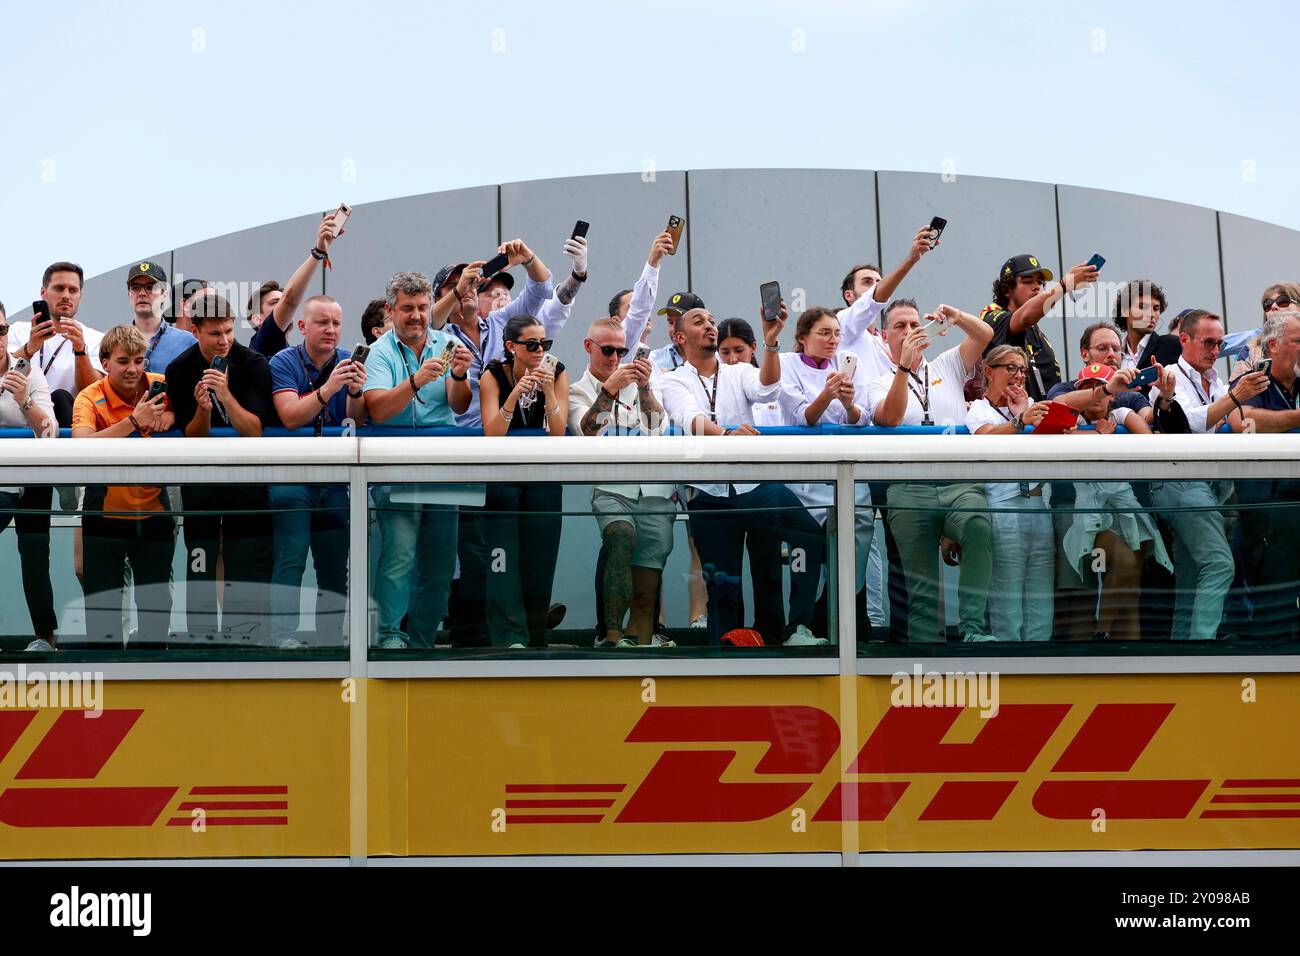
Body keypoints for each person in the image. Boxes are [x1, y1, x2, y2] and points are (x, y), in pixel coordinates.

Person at [660, 298, 828, 646]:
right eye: (698, 321)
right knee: (723, 585)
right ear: (679, 338)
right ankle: (728, 656)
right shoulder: (673, 380)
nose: (709, 325)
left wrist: (769, 342)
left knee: (808, 535)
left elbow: (766, 388)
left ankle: (798, 628)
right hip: (708, 494)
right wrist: (727, 435)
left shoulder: (737, 370)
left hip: (756, 485)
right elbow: (689, 418)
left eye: (711, 319)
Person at [869, 299, 994, 643]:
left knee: (978, 525)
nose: (908, 331)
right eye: (899, 326)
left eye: (913, 325)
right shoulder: (877, 382)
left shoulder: (947, 364)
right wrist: (904, 370)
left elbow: (984, 334)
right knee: (921, 584)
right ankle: (926, 650)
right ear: (884, 337)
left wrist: (956, 316)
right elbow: (890, 417)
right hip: (909, 486)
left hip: (958, 482)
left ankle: (972, 629)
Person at [362, 272, 473, 649]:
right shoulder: (380, 352)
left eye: (423, 308)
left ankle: (423, 641)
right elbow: (376, 410)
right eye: (407, 309)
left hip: (443, 469)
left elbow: (460, 404)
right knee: (398, 558)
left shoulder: (448, 342)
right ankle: (390, 636)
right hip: (395, 470)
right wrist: (415, 381)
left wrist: (459, 375)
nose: (417, 316)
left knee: (441, 567)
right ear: (391, 311)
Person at [1148, 310, 1266, 641]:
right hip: (1179, 481)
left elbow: (1217, 420)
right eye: (1209, 343)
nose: (1215, 350)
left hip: (1199, 482)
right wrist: (1234, 397)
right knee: (1219, 565)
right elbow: (1188, 423)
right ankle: (1203, 647)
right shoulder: (1168, 375)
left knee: (1190, 576)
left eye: (1219, 343)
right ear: (1183, 339)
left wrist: (1235, 393)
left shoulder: (1213, 379)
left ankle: (1183, 652)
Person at [165, 294, 274, 642]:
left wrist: (226, 396)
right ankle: (199, 640)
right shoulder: (179, 369)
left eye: (229, 331)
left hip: (247, 480)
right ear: (195, 330)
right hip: (201, 481)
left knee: (247, 563)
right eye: (215, 334)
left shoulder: (254, 362)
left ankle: (249, 640)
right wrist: (204, 409)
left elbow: (254, 430)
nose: (224, 340)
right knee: (200, 559)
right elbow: (193, 435)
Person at [267, 295, 369, 649]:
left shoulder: (347, 361)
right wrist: (329, 389)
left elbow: (359, 419)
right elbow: (291, 416)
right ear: (302, 326)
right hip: (292, 475)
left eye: (336, 323)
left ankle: (330, 639)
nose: (330, 330)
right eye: (322, 322)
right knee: (291, 557)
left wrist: (355, 391)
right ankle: (283, 637)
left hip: (338, 477)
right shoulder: (283, 361)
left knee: (334, 563)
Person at [569, 318, 675, 648]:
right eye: (608, 349)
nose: (615, 357)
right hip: (612, 488)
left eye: (621, 350)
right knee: (621, 536)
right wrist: (609, 389)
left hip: (655, 489)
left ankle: (638, 643)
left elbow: (658, 427)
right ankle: (611, 637)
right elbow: (587, 430)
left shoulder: (647, 382)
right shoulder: (577, 390)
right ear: (589, 347)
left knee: (647, 580)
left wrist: (643, 387)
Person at [71, 325, 175, 647]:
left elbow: (191, 412)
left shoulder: (161, 385)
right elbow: (82, 446)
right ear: (104, 362)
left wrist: (171, 414)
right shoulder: (89, 396)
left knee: (157, 614)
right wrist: (134, 422)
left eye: (139, 360)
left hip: (154, 515)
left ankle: (155, 685)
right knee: (102, 620)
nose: (132, 369)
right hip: (104, 518)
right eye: (123, 361)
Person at [1058, 362, 1172, 642]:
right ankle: (1102, 631)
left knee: (1130, 592)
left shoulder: (1122, 413)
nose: (1096, 396)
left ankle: (1132, 667)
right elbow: (1059, 427)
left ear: (1113, 394)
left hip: (1127, 508)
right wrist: (1099, 435)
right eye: (1088, 389)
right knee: (1121, 560)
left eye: (1101, 390)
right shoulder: (1070, 421)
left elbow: (1148, 441)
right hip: (1091, 514)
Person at [479, 314, 569, 648]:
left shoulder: (556, 371)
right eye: (532, 345)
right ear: (511, 346)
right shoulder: (493, 375)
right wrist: (514, 395)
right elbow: (493, 432)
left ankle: (534, 636)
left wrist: (547, 389)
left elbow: (558, 431)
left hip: (543, 477)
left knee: (540, 558)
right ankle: (508, 636)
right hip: (503, 477)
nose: (539, 351)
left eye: (544, 344)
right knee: (503, 558)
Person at [965, 346, 1054, 641]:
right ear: (989, 371)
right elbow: (985, 438)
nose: (1018, 376)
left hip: (1039, 505)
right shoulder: (979, 408)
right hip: (1004, 506)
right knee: (1007, 597)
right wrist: (1020, 420)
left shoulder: (1030, 405)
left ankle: (1042, 668)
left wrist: (1024, 414)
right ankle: (1009, 665)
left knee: (1042, 599)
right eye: (1011, 368)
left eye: (1023, 370)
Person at [1230, 310, 1300, 640]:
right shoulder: (1254, 379)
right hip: (1270, 512)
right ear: (1272, 345)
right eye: (1298, 341)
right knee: (1277, 605)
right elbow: (1240, 420)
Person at [0, 308, 60, 650]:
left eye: (1, 329)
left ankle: (46, 637)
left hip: (31, 475)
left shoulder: (28, 373)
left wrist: (23, 400)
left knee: (36, 555)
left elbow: (49, 431)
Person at [981, 254, 1099, 401]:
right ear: (1007, 290)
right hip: (1014, 420)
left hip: (1044, 419)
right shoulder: (993, 317)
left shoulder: (1036, 331)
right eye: (1028, 281)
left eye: (1040, 282)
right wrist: (1064, 285)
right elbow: (1024, 316)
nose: (1037, 286)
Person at [837, 225, 941, 382]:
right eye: (867, 282)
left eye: (879, 281)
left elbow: (910, 361)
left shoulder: (884, 338)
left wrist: (939, 325)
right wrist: (911, 259)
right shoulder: (844, 323)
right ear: (849, 295)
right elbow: (873, 300)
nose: (875, 285)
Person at [9, 262, 104, 426]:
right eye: (59, 288)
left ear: (80, 296)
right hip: (18, 422)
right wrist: (29, 349)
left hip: (68, 426)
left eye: (73, 290)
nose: (66, 295)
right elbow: (4, 379)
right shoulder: (18, 331)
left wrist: (80, 351)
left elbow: (92, 394)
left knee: (60, 397)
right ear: (43, 293)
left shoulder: (95, 339)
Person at [249, 215, 346, 358]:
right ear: (257, 319)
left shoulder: (297, 356)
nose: (330, 329)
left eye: (336, 323)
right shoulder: (262, 342)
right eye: (275, 303)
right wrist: (319, 252)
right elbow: (289, 299)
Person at [126, 261, 196, 375]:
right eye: (135, 287)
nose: (142, 293)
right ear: (129, 294)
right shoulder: (115, 342)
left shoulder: (188, 342)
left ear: (164, 293)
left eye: (150, 287)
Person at [1114, 279, 1179, 374]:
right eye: (1143, 307)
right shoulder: (1112, 354)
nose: (1151, 314)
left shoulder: (1172, 345)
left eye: (1156, 308)